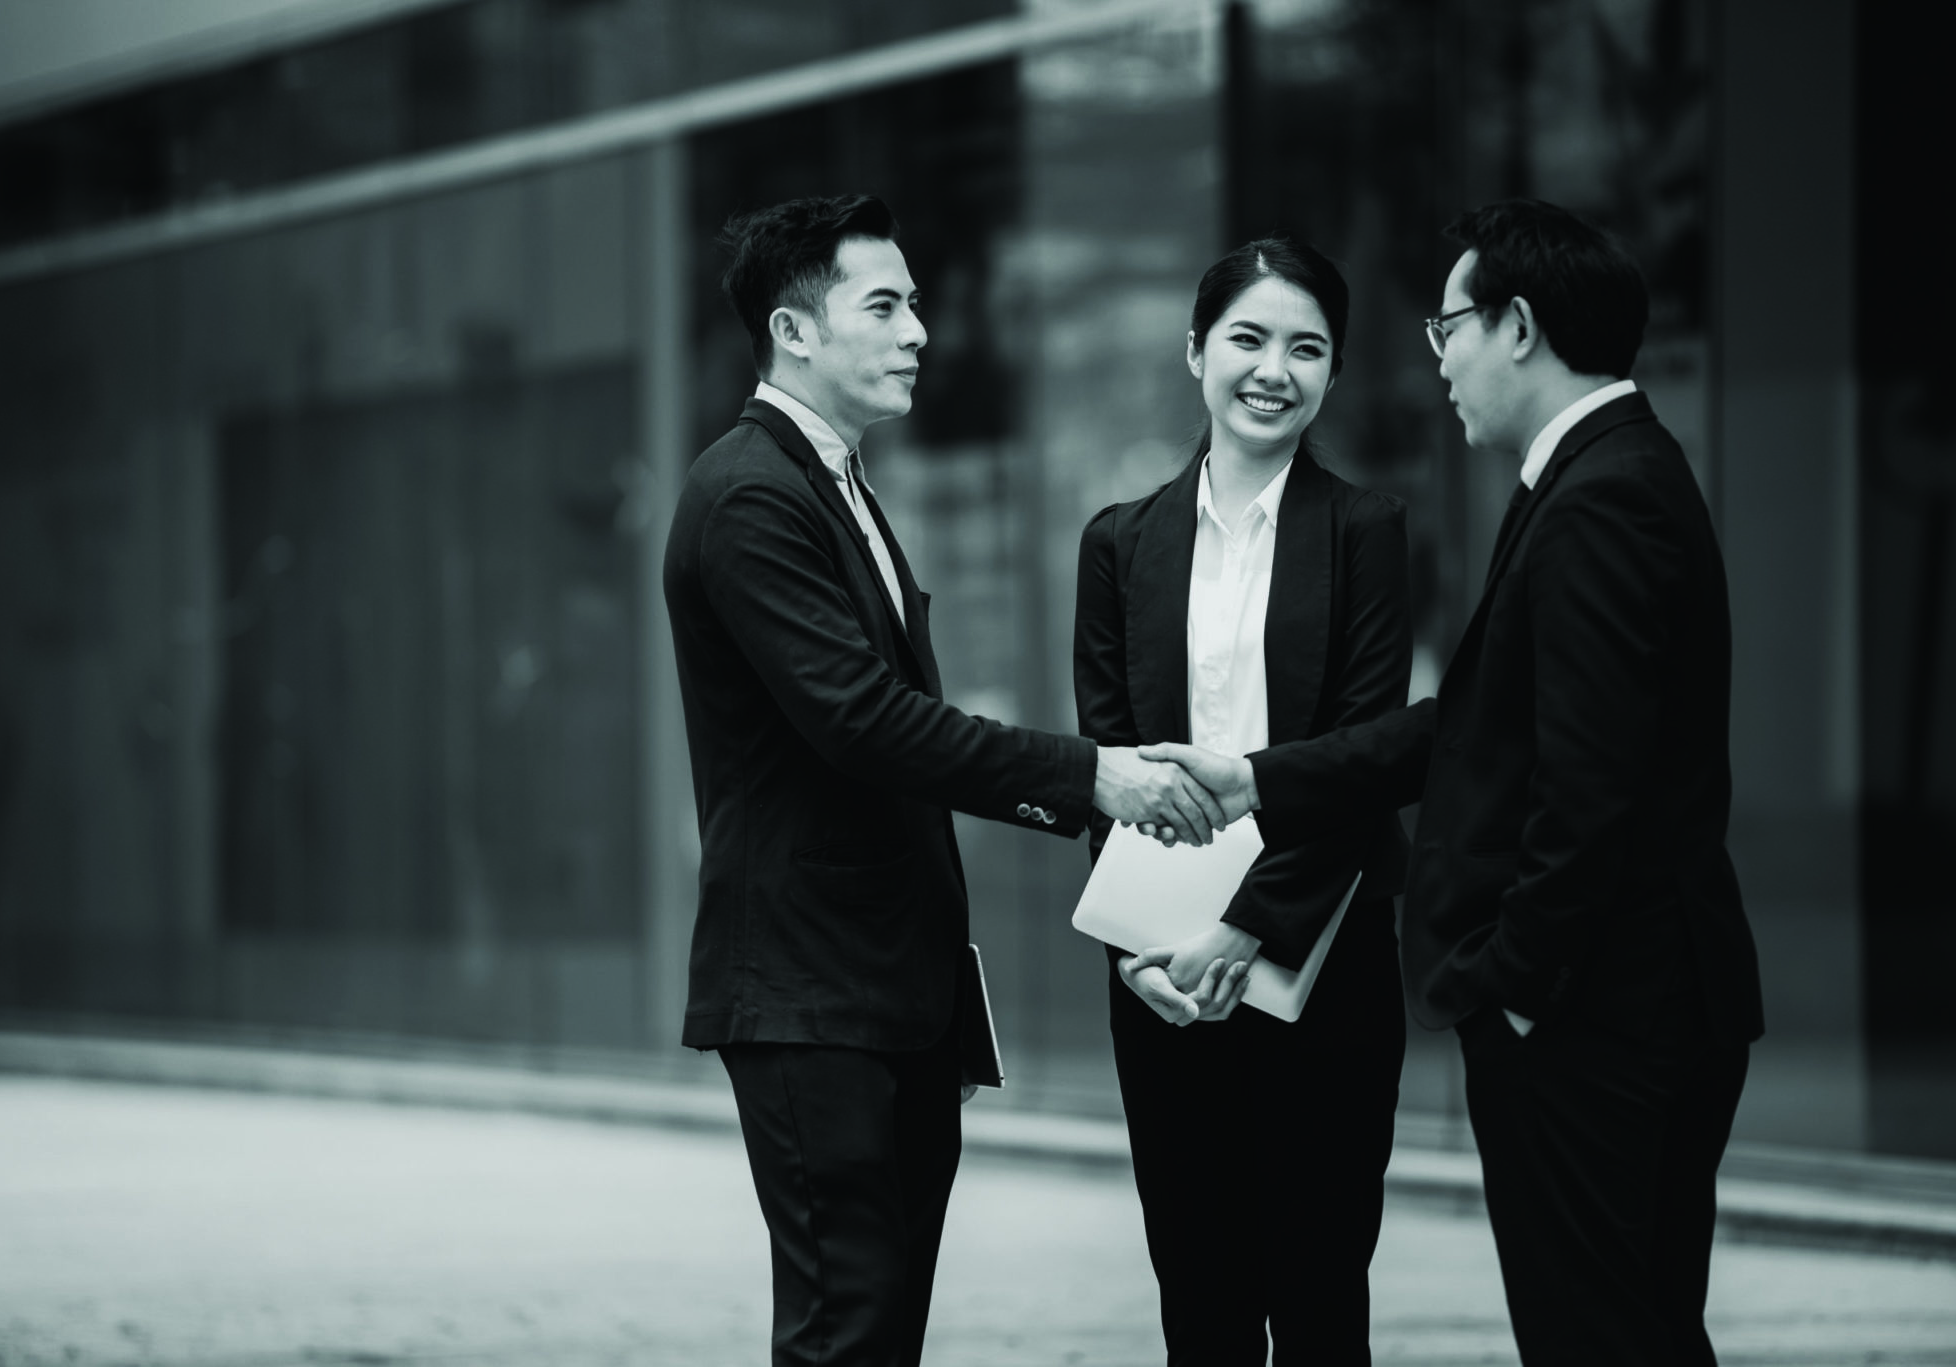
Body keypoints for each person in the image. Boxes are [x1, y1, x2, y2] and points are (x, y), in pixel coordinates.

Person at [1144, 200, 1764, 1366]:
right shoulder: (1595, 474)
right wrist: (1253, 777)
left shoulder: (1600, 495)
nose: (1438, 359)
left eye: (1449, 324)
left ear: (1516, 326)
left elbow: (1591, 785)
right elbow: (1475, 725)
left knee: (1597, 1333)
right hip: (1622, 997)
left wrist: (1514, 982)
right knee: (1633, 1325)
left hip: (1595, 1011)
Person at [661, 193, 1227, 1367]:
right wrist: (1091, 778)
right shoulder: (750, 495)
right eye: (886, 304)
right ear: (794, 330)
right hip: (810, 990)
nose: (920, 328)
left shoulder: (834, 482)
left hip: (880, 989)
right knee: (846, 1327)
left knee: (880, 1326)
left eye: (915, 301)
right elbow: (864, 724)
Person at [1073, 238, 1413, 1365]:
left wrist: (1245, 928)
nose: (1274, 368)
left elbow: (1363, 761)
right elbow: (1105, 773)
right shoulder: (1117, 544)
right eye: (1248, 338)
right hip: (1163, 982)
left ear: (1329, 372)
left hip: (1322, 963)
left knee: (1319, 1296)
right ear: (1193, 352)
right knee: (1201, 1298)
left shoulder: (1366, 534)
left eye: (1306, 347)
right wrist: (1140, 953)